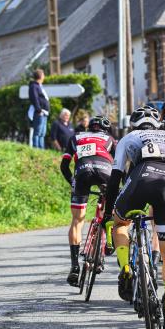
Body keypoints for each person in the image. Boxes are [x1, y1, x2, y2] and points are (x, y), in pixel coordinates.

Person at [102, 106, 165, 329]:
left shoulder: (129, 137)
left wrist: (110, 213)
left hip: (141, 177)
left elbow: (115, 177)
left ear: (134, 125)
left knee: (120, 224)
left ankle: (126, 268)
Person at [60, 116, 116, 285]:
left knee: (77, 220)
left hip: (82, 172)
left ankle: (75, 266)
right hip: (105, 171)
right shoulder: (111, 139)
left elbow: (64, 166)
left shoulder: (75, 137)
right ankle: (109, 241)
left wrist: (73, 183)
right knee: (108, 206)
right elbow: (120, 165)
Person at [28, 69, 49, 149]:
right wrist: (38, 109)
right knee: (37, 132)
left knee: (42, 133)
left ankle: (41, 149)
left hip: (44, 112)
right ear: (40, 76)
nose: (44, 77)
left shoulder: (39, 86)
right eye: (43, 75)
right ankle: (36, 149)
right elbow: (34, 98)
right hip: (39, 112)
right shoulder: (34, 86)